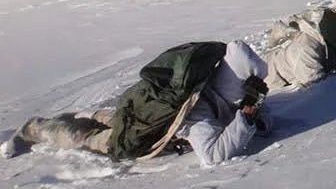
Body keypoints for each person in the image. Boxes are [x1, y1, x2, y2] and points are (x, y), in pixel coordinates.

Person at [1, 41, 271, 166]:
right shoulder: (200, 113)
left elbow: (262, 123)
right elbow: (212, 156)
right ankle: (33, 128)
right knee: (80, 136)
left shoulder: (207, 85)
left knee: (111, 117)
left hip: (139, 116)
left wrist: (251, 112)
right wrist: (245, 117)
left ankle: (81, 114)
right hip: (132, 135)